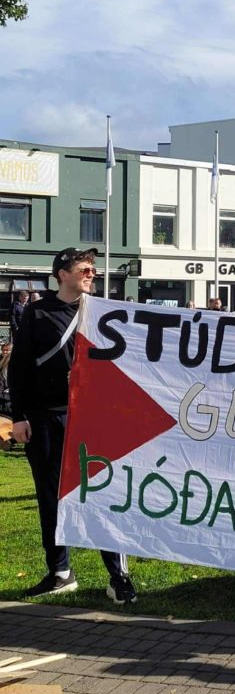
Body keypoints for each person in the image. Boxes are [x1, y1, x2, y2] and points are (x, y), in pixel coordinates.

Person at [8, 247, 137, 604]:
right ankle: (60, 572)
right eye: (84, 268)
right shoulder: (36, 313)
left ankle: (119, 576)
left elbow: (125, 364)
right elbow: (20, 368)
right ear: (62, 274)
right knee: (51, 497)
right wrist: (18, 416)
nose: (91, 273)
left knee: (101, 495)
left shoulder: (102, 312)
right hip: (45, 417)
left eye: (93, 269)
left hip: (91, 418)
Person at [0, 341, 12, 417]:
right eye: (3, 350)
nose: (5, 352)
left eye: (7, 350)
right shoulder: (2, 371)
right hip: (5, 408)